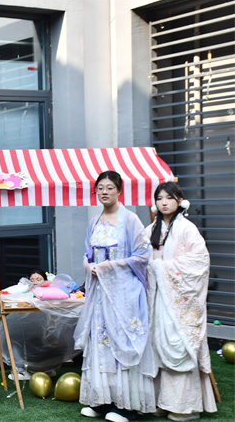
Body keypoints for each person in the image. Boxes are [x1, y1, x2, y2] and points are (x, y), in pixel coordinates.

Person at [73, 171, 156, 422]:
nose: (104, 192)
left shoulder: (130, 219)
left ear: (119, 191)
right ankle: (102, 401)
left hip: (124, 294)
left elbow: (143, 255)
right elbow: (88, 254)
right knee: (101, 343)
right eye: (100, 188)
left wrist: (109, 267)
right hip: (99, 295)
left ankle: (126, 406)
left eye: (110, 187)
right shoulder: (93, 221)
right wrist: (89, 267)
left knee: (122, 341)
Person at [144, 182, 217, 421]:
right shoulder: (150, 229)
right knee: (157, 345)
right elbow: (140, 258)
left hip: (179, 300)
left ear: (179, 201)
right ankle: (160, 401)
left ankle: (183, 406)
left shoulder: (187, 228)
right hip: (156, 298)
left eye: (169, 198)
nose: (163, 202)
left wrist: (161, 268)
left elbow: (200, 261)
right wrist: (151, 268)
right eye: (159, 198)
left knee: (178, 345)